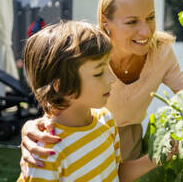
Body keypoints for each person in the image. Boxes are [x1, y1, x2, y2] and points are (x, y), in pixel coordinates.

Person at [20, 0, 183, 168]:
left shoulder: (162, 51)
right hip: (86, 137)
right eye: (132, 22)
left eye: (150, 17)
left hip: (129, 138)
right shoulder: (91, 51)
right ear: (106, 21)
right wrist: (31, 127)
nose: (146, 31)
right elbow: (60, 97)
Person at [18, 21, 167, 182]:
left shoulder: (106, 120)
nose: (112, 78)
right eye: (98, 73)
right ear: (62, 87)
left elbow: (116, 173)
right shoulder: (46, 153)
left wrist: (160, 156)